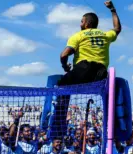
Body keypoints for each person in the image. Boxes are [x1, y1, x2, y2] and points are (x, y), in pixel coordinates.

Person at [51, 0, 122, 138]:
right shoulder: (105, 35)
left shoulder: (78, 36)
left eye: (82, 21)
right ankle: (113, 128)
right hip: (101, 74)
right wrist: (112, 9)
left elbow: (63, 54)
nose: (80, 24)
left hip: (83, 69)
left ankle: (58, 127)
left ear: (87, 23)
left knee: (61, 87)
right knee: (108, 95)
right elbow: (117, 28)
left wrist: (65, 66)